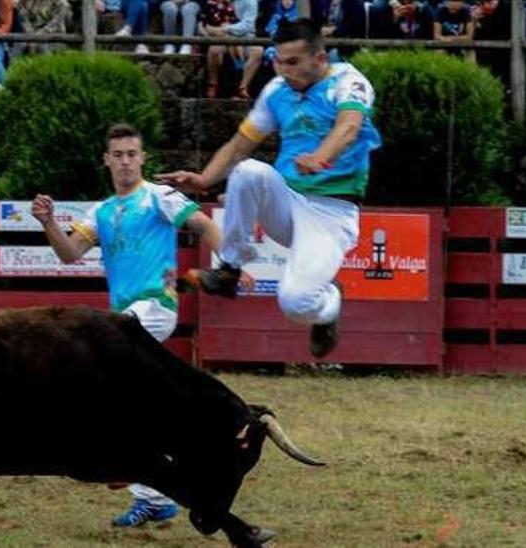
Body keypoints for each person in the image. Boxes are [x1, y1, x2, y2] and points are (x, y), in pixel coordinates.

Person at [30, 123, 248, 528]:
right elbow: (68, 253)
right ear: (107, 160)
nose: (127, 161)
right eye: (119, 154)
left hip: (155, 308)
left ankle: (127, 462)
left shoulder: (159, 196)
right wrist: (48, 222)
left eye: (133, 154)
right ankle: (152, 493)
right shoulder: (101, 211)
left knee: (108, 384)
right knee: (133, 401)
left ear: (143, 158)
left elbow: (204, 226)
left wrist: (230, 266)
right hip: (123, 320)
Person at [158, 18, 382, 359]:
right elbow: (240, 144)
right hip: (288, 202)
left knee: (295, 304)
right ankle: (229, 270)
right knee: (248, 171)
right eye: (278, 61)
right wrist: (204, 179)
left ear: (320, 59)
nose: (284, 69)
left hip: (331, 214)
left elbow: (348, 127)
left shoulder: (349, 82)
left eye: (293, 62)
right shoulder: (277, 90)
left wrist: (321, 156)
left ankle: (330, 301)